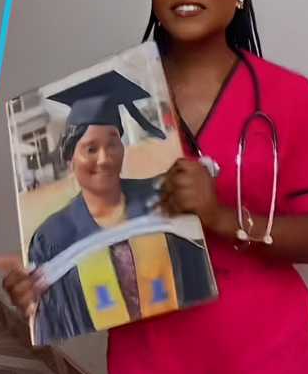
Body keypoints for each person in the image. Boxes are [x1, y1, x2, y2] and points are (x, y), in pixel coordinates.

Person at [0, 0, 308, 374]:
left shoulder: (289, 97)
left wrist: (220, 217)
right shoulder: (102, 104)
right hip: (151, 367)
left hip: (267, 360)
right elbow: (87, 240)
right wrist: (42, 291)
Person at [25, 73, 215, 345]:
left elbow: (197, 273)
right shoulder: (52, 237)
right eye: (90, 149)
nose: (104, 159)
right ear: (70, 160)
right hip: (133, 348)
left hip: (193, 334)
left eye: (113, 143)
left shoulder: (161, 195)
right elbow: (52, 317)